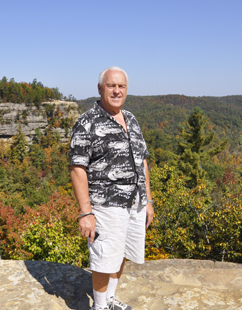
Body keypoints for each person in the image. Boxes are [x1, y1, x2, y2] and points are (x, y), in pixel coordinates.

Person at [69, 66, 154, 310]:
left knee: (122, 252)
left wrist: (148, 200)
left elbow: (143, 160)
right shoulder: (87, 122)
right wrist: (86, 213)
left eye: (121, 86)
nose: (117, 91)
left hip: (135, 203)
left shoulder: (131, 119)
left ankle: (110, 300)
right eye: (111, 86)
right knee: (104, 257)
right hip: (106, 204)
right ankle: (99, 306)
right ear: (100, 88)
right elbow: (77, 168)